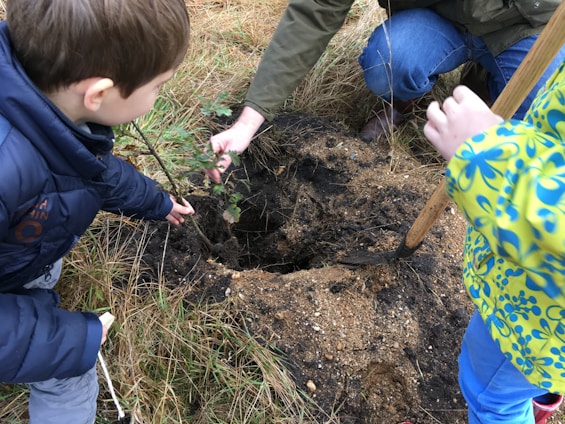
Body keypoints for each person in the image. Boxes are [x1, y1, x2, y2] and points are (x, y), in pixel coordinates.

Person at [0, 1, 192, 422]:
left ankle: (30, 279)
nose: (158, 98)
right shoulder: (7, 169)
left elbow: (95, 173)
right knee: (70, 368)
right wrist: (67, 339)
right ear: (99, 93)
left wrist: (158, 203)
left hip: (13, 250)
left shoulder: (46, 108)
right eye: (159, 86)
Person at [205, 0, 565, 183]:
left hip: (523, 26)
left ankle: (483, 81)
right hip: (438, 19)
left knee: (538, 120)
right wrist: (247, 123)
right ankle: (407, 98)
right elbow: (313, 15)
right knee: (389, 63)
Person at [423, 60, 565, 423]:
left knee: (491, 398)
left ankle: (516, 405)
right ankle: (540, 394)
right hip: (545, 314)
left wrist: (491, 158)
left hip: (535, 320)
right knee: (524, 382)